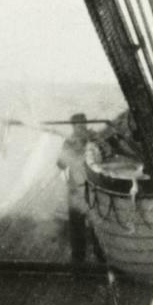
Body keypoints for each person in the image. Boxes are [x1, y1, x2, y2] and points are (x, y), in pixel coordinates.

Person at [57, 113, 104, 264]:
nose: (80, 128)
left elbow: (103, 157)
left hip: (93, 188)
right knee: (77, 225)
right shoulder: (69, 142)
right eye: (77, 125)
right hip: (75, 189)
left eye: (82, 124)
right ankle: (78, 260)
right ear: (73, 126)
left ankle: (102, 257)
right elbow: (60, 163)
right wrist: (71, 153)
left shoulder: (94, 139)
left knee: (97, 224)